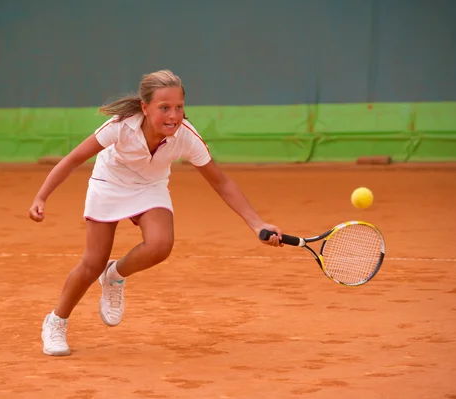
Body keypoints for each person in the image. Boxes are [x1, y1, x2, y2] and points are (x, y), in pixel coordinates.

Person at [29, 69, 283, 356]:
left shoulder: (186, 137)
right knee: (91, 262)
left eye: (179, 107)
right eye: (164, 108)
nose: (173, 115)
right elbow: (74, 159)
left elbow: (221, 182)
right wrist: (42, 196)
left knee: (161, 245)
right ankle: (56, 321)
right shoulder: (121, 126)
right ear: (145, 108)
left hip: (150, 185)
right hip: (109, 183)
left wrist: (256, 223)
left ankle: (113, 275)